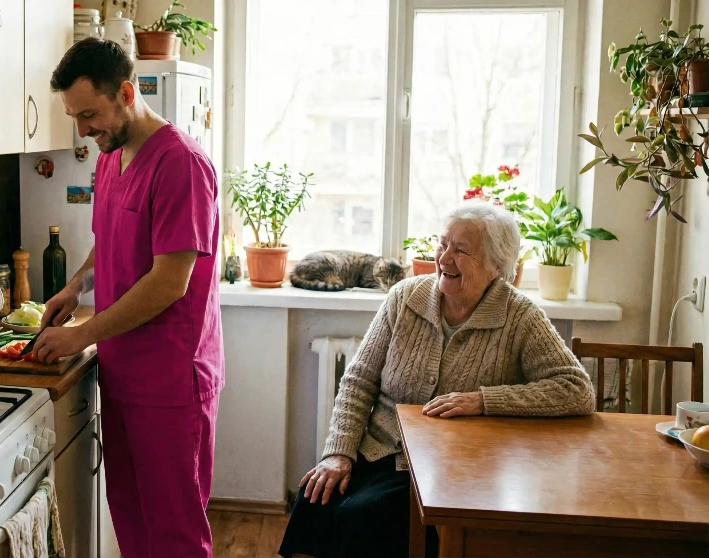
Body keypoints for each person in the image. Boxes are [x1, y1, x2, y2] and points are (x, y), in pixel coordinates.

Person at [279, 203, 596, 558]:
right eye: (443, 244)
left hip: (449, 470)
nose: (445, 257)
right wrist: (338, 453)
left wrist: (484, 400)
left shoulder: (520, 316)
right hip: (379, 449)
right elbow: (358, 380)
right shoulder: (405, 296)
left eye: (461, 250)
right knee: (314, 498)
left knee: (365, 517)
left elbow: (575, 389)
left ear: (497, 266)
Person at [33, 38, 223, 558]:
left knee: (176, 536)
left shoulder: (181, 163)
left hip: (170, 381)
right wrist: (76, 287)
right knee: (133, 526)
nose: (83, 131)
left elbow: (169, 281)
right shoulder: (111, 160)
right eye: (75, 117)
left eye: (90, 114)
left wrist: (81, 337)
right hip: (122, 374)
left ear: (126, 91)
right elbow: (110, 239)